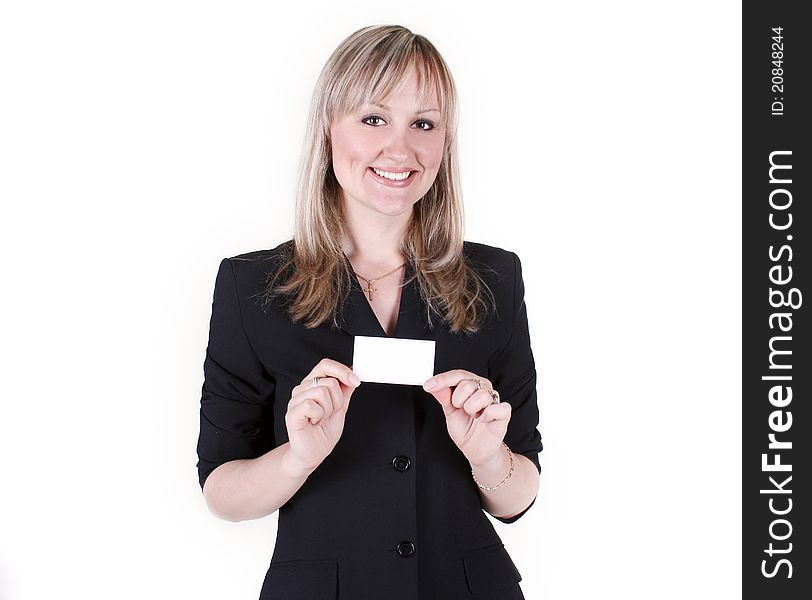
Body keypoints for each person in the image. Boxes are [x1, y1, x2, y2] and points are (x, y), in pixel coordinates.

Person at [196, 24, 542, 600]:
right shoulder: (250, 287)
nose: (400, 150)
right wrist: (297, 457)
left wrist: (487, 454)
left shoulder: (495, 280)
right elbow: (220, 491)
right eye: (374, 118)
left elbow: (520, 494)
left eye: (423, 124)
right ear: (329, 129)